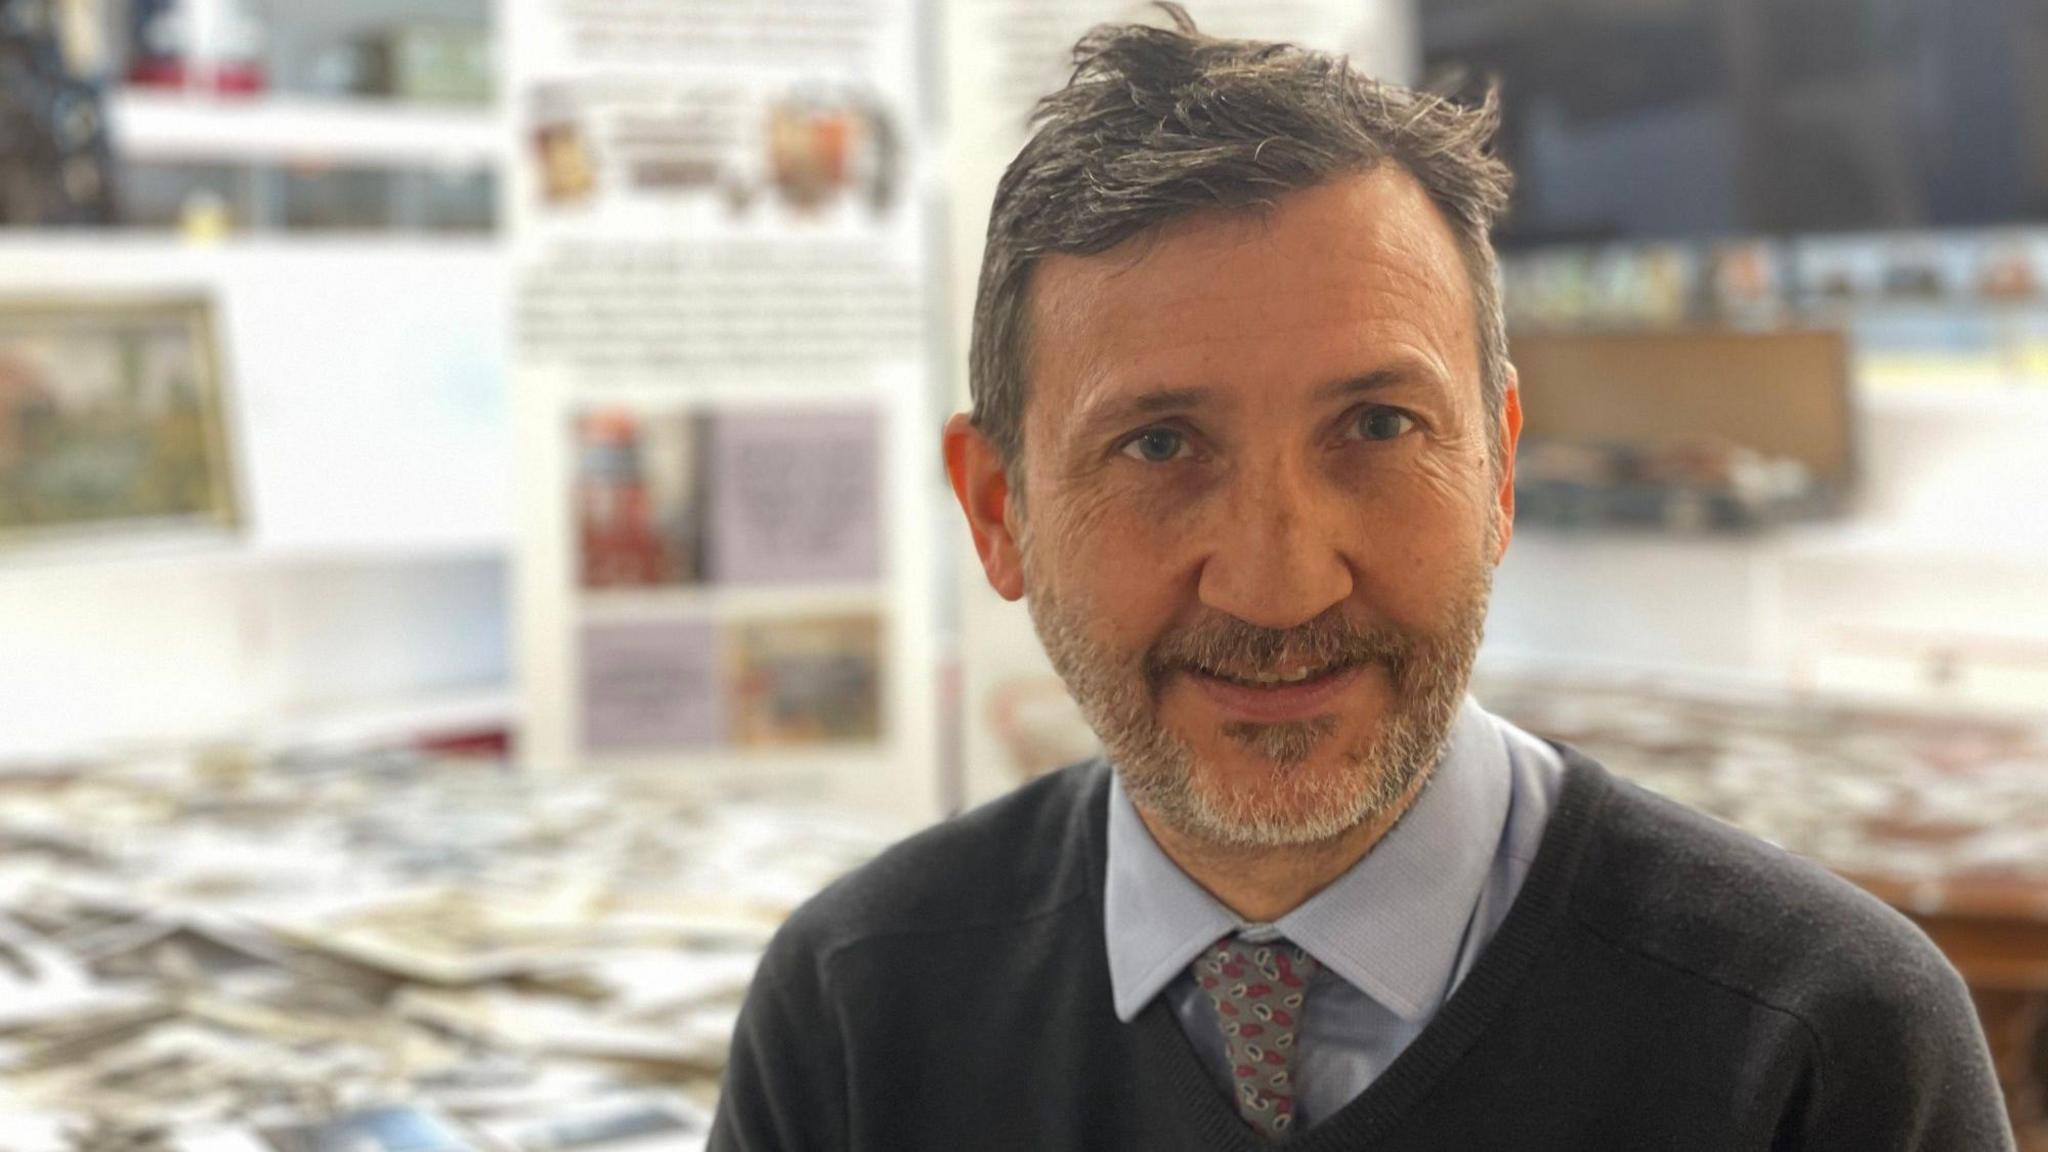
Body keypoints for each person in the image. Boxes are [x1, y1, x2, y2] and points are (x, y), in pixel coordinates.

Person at [709, 8, 2013, 1149]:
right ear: (1000, 510)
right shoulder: (852, 1016)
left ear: (1499, 468)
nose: (1280, 582)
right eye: (1160, 445)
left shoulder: (1823, 1049)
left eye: (1379, 427)